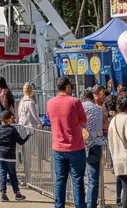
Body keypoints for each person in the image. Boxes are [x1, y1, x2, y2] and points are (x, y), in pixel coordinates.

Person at [47, 76, 87, 208]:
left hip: (58, 146)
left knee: (60, 180)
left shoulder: (50, 102)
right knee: (77, 180)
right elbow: (84, 121)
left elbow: (49, 118)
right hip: (75, 146)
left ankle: (59, 206)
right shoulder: (75, 101)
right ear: (68, 87)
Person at [0, 109, 28, 202]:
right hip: (10, 155)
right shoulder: (12, 129)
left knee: (2, 174)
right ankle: (17, 193)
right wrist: (28, 136)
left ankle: (3, 194)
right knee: (12, 174)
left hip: (0, 155)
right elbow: (21, 141)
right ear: (9, 119)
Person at [81, 90, 106, 208]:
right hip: (95, 144)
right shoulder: (98, 109)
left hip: (80, 145)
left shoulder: (78, 108)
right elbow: (99, 129)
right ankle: (91, 204)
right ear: (92, 98)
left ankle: (82, 202)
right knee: (93, 179)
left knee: (79, 177)